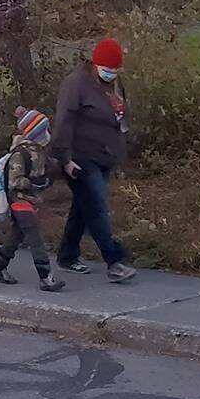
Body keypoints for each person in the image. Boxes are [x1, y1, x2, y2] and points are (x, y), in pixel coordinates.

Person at [52, 37, 138, 282]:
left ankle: (67, 256)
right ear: (95, 63)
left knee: (83, 207)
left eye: (115, 69)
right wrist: (64, 158)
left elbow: (119, 118)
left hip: (105, 156)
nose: (111, 73)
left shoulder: (116, 85)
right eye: (107, 68)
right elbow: (64, 122)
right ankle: (114, 261)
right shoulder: (76, 84)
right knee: (97, 206)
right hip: (80, 157)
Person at [0, 107, 66, 291]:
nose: (48, 133)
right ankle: (46, 277)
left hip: (32, 199)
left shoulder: (41, 152)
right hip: (19, 200)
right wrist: (34, 183)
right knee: (35, 237)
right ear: (36, 133)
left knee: (16, 235)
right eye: (44, 129)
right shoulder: (20, 154)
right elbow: (15, 181)